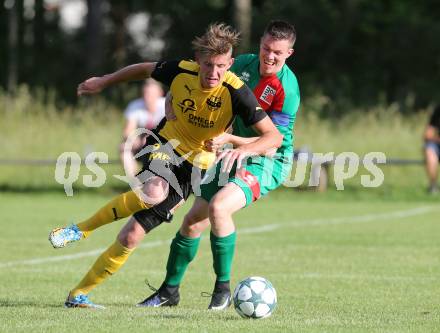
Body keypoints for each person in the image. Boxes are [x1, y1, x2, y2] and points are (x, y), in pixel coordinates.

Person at [48, 23, 283, 309]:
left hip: (193, 170)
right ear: (198, 61)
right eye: (208, 65)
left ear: (230, 63)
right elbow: (143, 69)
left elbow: (274, 137)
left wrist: (235, 144)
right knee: (155, 192)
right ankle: (80, 229)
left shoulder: (237, 92)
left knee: (131, 235)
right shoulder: (182, 70)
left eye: (221, 66)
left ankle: (77, 295)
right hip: (165, 145)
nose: (214, 73)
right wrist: (105, 81)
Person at [138, 20, 300, 310]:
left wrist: (232, 140)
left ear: (289, 53)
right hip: (231, 152)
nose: (270, 56)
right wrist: (170, 101)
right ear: (260, 43)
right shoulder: (242, 64)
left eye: (278, 52)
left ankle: (222, 290)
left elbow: (273, 140)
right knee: (191, 223)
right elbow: (193, 74)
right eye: (266, 48)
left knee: (219, 207)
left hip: (268, 159)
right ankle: (168, 292)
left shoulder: (287, 88)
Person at [120, 79, 165, 178]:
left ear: (160, 93)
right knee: (124, 148)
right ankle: (135, 182)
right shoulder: (135, 106)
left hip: (162, 145)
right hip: (140, 145)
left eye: (150, 94)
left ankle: (157, 181)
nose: (147, 96)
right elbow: (127, 131)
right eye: (145, 93)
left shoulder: (167, 106)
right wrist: (133, 139)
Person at [423, 105, 440, 194]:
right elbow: (427, 134)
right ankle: (433, 186)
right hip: (437, 143)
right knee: (429, 150)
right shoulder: (438, 110)